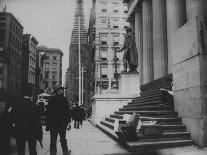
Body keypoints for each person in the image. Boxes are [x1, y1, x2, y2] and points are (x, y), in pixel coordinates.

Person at [10, 85, 42, 155]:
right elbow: (38, 122)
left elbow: (11, 118)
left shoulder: (16, 104)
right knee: (32, 150)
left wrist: (13, 129)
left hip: (20, 131)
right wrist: (40, 135)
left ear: (21, 94)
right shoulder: (34, 105)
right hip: (32, 131)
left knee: (20, 150)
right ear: (30, 94)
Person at [46, 87, 71, 155]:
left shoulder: (51, 99)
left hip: (53, 123)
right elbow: (67, 111)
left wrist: (47, 123)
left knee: (53, 139)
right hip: (62, 123)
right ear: (58, 91)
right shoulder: (64, 99)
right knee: (63, 138)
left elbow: (48, 112)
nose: (63, 91)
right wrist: (68, 122)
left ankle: (53, 152)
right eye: (62, 90)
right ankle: (65, 152)